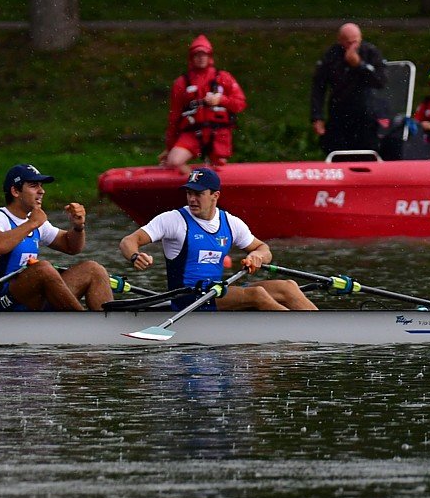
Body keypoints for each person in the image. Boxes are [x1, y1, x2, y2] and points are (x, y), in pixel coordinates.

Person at [118, 167, 317, 312]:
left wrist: (258, 255)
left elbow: (264, 248)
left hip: (216, 293)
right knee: (257, 294)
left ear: (215, 195)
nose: (192, 199)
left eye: (198, 194)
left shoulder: (230, 223)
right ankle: (304, 333)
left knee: (288, 286)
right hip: (188, 299)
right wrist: (135, 256)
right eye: (189, 193)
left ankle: (321, 329)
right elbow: (128, 241)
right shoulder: (173, 220)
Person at [0, 164, 113, 311]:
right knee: (43, 268)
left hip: (32, 300)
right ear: (15, 191)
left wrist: (78, 227)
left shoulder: (35, 221)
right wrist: (32, 223)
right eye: (34, 186)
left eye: (41, 186)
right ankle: (82, 322)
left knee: (93, 269)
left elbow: (70, 246)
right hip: (1, 302)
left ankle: (107, 325)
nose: (41, 191)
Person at [160, 35, 247, 174]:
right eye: (197, 55)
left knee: (220, 168)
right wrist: (170, 147)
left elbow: (240, 104)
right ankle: (195, 188)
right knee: (174, 162)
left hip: (218, 133)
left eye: (204, 54)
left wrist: (221, 100)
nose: (201, 58)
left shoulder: (224, 77)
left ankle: (212, 191)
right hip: (193, 132)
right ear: (191, 58)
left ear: (210, 56)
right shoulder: (181, 83)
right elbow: (174, 118)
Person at [310, 22, 388, 155]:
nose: (352, 46)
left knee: (367, 151)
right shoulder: (332, 56)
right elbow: (318, 87)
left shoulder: (370, 52)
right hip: (339, 114)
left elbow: (380, 81)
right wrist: (317, 117)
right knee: (335, 149)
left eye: (355, 42)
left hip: (365, 114)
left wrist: (359, 65)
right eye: (348, 43)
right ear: (340, 41)